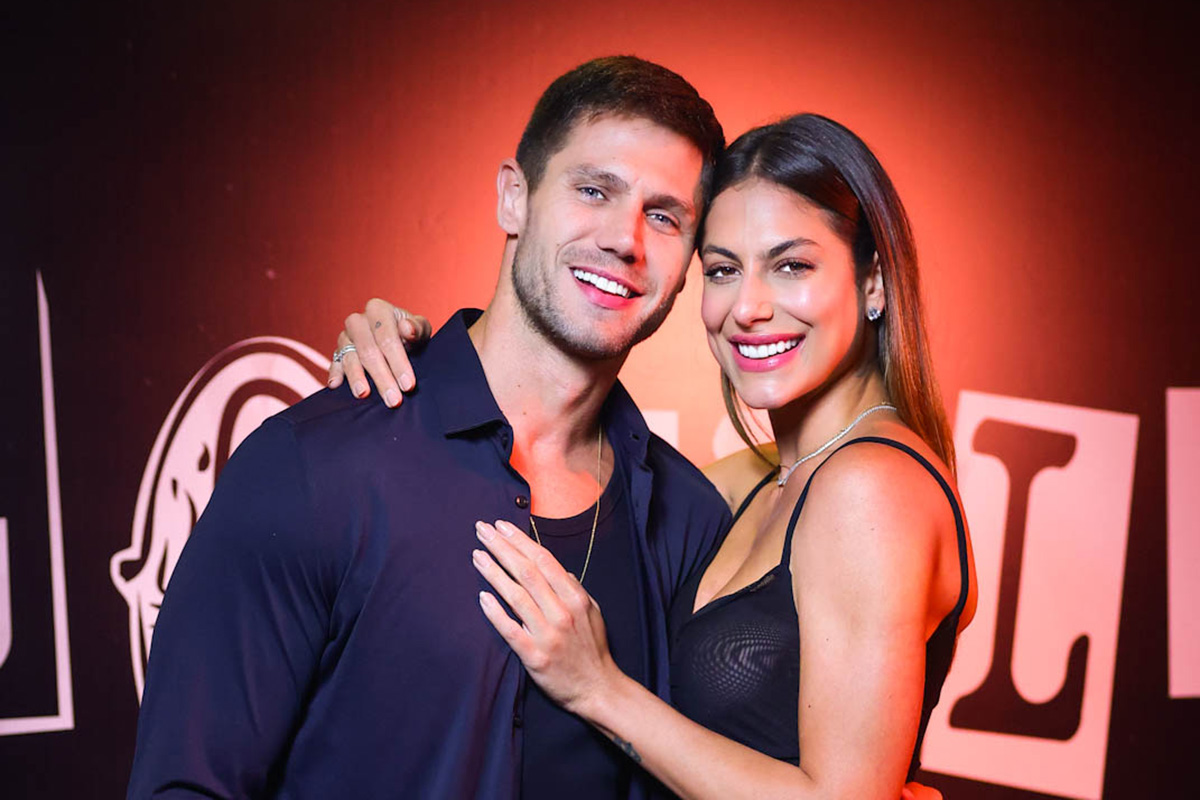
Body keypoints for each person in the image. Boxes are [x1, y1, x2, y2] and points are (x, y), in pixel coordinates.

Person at [127, 56, 732, 800]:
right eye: (593, 190)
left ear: (689, 261)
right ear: (514, 198)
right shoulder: (315, 467)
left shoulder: (689, 519)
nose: (625, 239)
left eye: (664, 216)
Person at [333, 114, 975, 799]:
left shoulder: (870, 488)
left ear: (874, 282)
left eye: (791, 265)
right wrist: (416, 354)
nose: (748, 307)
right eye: (723, 270)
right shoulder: (748, 483)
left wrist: (599, 689)